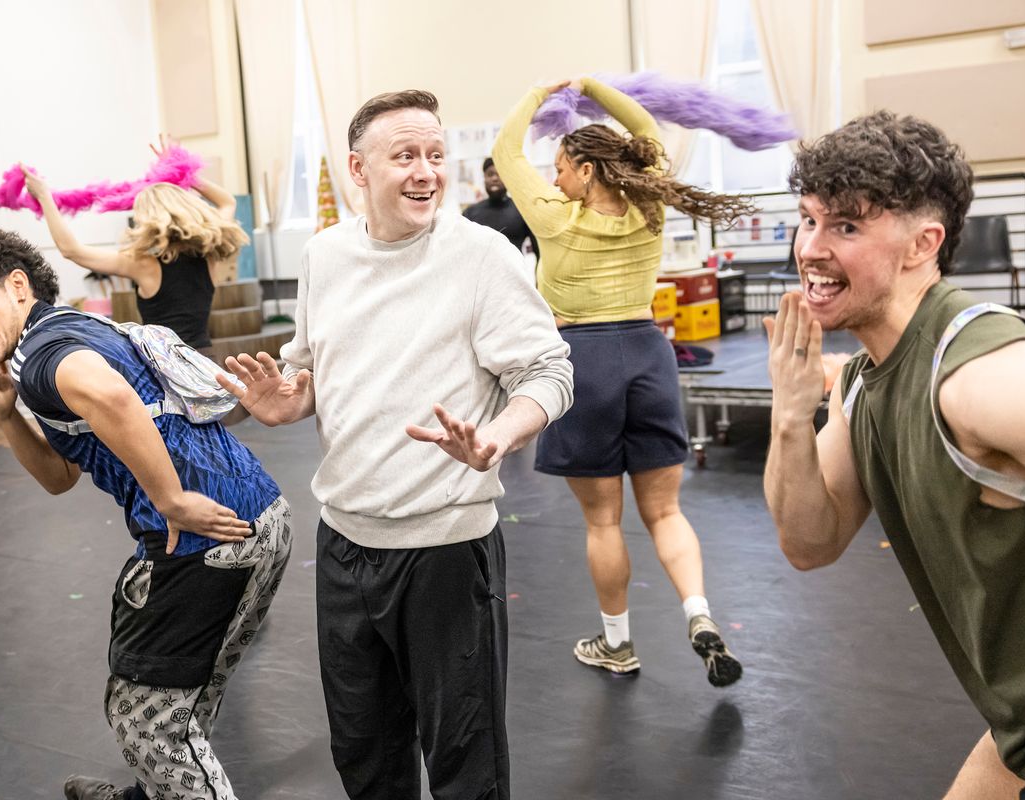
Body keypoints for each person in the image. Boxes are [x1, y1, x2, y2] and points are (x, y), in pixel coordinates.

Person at [218, 89, 573, 800]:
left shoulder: (482, 255)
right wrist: (290, 398)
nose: (427, 171)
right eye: (405, 155)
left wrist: (498, 436)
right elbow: (313, 364)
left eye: (437, 155)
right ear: (358, 169)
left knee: (464, 762)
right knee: (364, 751)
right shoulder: (325, 255)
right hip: (346, 546)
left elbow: (549, 371)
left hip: (446, 550)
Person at [763, 110, 1025, 798]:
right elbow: (808, 542)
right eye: (808, 218)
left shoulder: (979, 375)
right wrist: (790, 415)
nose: (812, 247)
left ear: (922, 244)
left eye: (846, 226)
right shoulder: (861, 385)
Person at [0, 228, 291, 800]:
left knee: (146, 721)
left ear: (17, 287)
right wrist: (3, 411)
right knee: (179, 697)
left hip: (203, 539)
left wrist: (169, 498)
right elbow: (59, 477)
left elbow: (110, 396)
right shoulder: (67, 331)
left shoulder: (42, 354)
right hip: (263, 519)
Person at [491, 78, 748, 686]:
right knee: (665, 511)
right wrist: (593, 88)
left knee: (604, 522)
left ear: (583, 170)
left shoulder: (556, 219)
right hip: (649, 357)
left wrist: (536, 94)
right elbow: (648, 133)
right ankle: (700, 614)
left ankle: (617, 644)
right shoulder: (650, 206)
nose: (552, 180)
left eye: (559, 168)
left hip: (583, 361)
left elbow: (506, 151)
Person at [24, 135, 248, 356]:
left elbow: (71, 250)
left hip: (164, 366)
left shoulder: (144, 264)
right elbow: (227, 201)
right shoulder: (209, 254)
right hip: (205, 359)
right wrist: (182, 172)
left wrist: (45, 196)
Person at [462, 157, 538, 256]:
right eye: (490, 174)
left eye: (500, 174)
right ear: (484, 178)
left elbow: (538, 250)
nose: (494, 178)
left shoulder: (522, 210)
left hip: (514, 271)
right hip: (481, 271)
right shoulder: (470, 214)